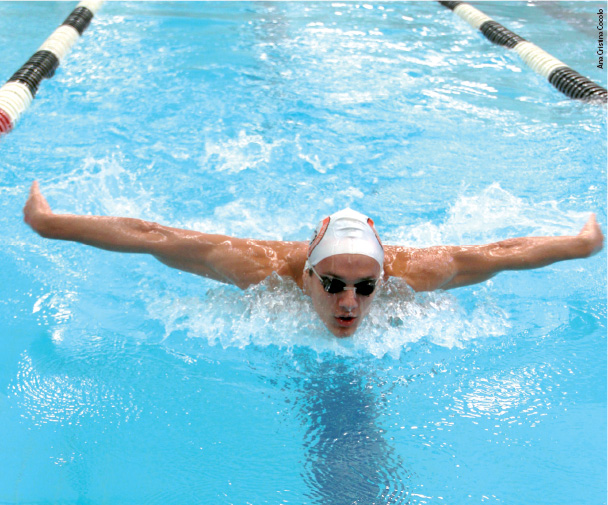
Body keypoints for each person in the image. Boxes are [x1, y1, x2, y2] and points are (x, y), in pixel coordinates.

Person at [23, 181, 604, 337]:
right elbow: (151, 234)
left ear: (383, 277)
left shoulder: (415, 273)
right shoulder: (255, 267)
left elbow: (501, 253)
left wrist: (582, 244)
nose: (349, 304)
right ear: (305, 272)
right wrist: (49, 224)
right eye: (331, 284)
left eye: (366, 288)